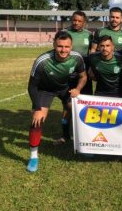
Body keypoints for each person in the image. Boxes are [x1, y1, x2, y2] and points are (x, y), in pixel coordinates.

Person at [27, 31, 87, 172]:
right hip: (44, 90)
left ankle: (79, 143)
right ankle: (33, 156)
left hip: (65, 89)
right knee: (38, 120)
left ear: (71, 46)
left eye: (67, 46)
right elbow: (32, 86)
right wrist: (36, 107)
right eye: (60, 46)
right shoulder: (42, 61)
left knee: (80, 112)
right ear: (54, 44)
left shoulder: (77, 58)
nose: (63, 50)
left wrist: (78, 88)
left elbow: (83, 76)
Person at [56, 11, 93, 145]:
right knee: (67, 106)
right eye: (74, 20)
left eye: (79, 21)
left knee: (87, 105)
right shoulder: (64, 33)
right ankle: (65, 136)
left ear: (84, 22)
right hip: (68, 76)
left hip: (83, 75)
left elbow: (91, 54)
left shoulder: (89, 35)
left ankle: (86, 136)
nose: (76, 23)